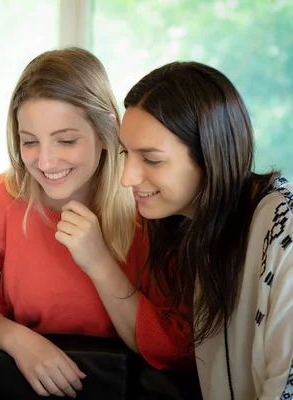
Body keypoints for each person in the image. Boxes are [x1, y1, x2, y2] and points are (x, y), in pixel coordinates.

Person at [0, 47, 194, 398]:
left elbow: (174, 347)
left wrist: (99, 262)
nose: (45, 162)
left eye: (66, 140)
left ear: (106, 130)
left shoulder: (151, 207)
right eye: (30, 141)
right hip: (23, 384)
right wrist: (18, 340)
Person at [119, 61, 293, 399]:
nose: (127, 177)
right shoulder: (201, 233)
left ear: (210, 155)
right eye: (126, 153)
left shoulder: (283, 226)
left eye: (152, 160)